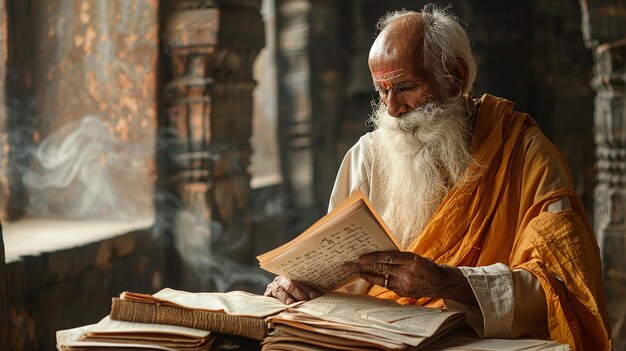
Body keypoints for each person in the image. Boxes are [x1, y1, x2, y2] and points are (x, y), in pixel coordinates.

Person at [264, 5, 611, 350]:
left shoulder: (526, 154)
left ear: (455, 77)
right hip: (377, 338)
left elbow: (562, 285)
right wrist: (296, 282)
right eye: (381, 91)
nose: (393, 109)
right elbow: (334, 269)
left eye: (405, 87)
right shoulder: (368, 155)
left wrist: (450, 283)